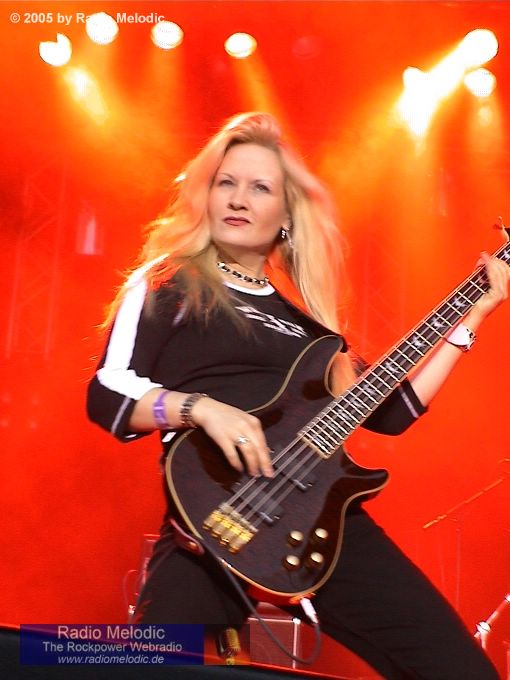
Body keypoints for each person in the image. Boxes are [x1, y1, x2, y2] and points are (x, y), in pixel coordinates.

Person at [87, 112, 509, 679]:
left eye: (259, 188)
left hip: (323, 523)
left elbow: (393, 411)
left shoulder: (312, 331)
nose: (238, 199)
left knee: (461, 671)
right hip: (217, 517)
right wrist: (199, 409)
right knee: (117, 662)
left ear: (286, 215)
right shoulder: (169, 282)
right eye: (226, 182)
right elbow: (108, 390)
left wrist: (474, 316)